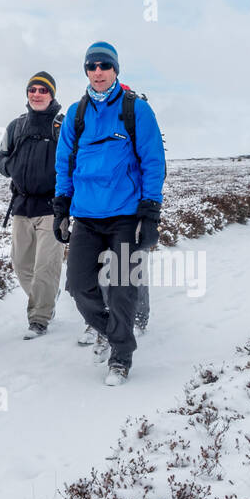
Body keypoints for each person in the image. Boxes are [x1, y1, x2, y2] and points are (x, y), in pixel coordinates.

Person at [53, 42, 165, 385]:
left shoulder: (136, 110)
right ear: (86, 71)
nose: (98, 72)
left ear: (116, 69)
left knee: (122, 286)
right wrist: (61, 207)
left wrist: (150, 213)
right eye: (92, 66)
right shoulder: (76, 113)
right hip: (86, 215)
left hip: (126, 215)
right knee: (77, 285)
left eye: (104, 65)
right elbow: (65, 163)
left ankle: (120, 359)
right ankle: (117, 335)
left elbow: (153, 161)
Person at [0, 71, 65, 339]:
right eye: (32, 89)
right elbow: (1, 159)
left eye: (43, 90)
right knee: (21, 264)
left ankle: (39, 318)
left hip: (51, 208)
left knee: (45, 267)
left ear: (52, 95)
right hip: (22, 206)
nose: (37, 94)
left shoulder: (61, 126)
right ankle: (47, 296)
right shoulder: (15, 126)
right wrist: (12, 166)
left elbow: (72, 163)